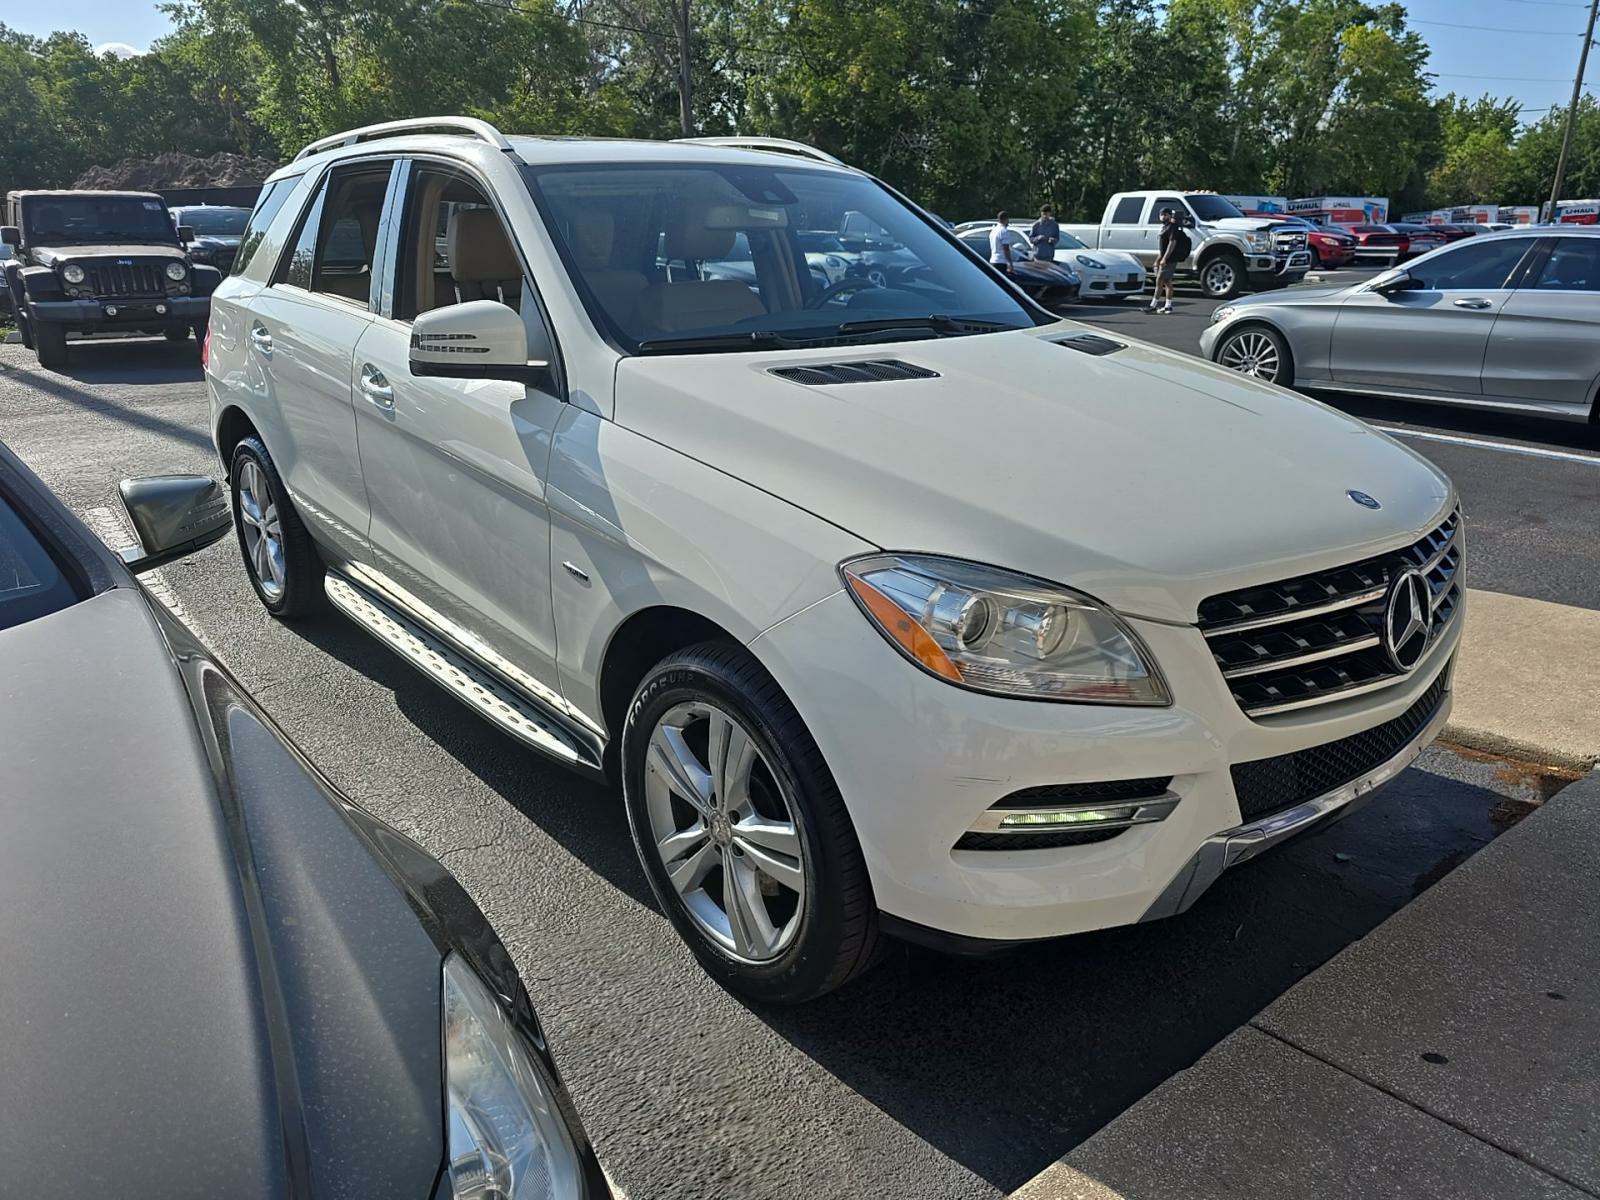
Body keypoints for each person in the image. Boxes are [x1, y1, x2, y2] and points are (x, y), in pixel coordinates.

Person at [1149, 207, 1190, 314]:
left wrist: (1164, 259)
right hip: (1165, 259)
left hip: (1169, 260)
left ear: (1169, 215)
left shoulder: (1172, 227)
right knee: (1167, 282)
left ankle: (1153, 306)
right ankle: (1168, 306)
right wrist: (1158, 259)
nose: (1162, 216)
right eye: (1161, 214)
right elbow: (1163, 247)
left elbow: (1172, 244)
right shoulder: (1165, 227)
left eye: (1165, 214)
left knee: (1159, 281)